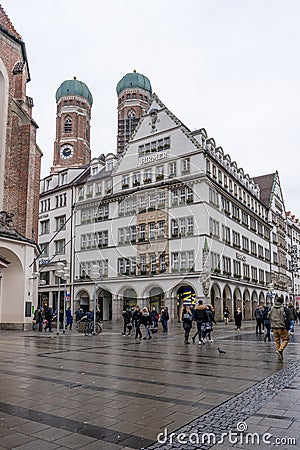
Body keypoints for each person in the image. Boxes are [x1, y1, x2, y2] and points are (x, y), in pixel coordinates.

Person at [269, 295, 290, 361]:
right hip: (282, 327)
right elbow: (286, 318)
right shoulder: (283, 308)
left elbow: (268, 315)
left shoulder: (272, 308)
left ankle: (280, 355)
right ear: (282, 302)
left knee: (277, 341)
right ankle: (280, 350)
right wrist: (288, 327)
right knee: (286, 339)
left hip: (274, 327)